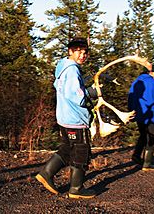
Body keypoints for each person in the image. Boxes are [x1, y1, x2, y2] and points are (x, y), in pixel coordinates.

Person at [36, 37, 96, 199]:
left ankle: (46, 173)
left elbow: (61, 88)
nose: (82, 55)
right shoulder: (72, 70)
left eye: (85, 52)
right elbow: (77, 96)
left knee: (67, 150)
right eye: (78, 51)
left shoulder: (63, 67)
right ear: (70, 51)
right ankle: (76, 189)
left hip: (64, 118)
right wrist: (92, 92)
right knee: (81, 152)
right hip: (75, 119)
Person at [128, 64, 154, 171]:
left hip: (140, 116)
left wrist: (131, 113)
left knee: (143, 135)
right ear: (152, 72)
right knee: (151, 138)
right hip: (152, 116)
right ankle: (147, 164)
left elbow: (130, 98)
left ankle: (136, 156)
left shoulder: (136, 82)